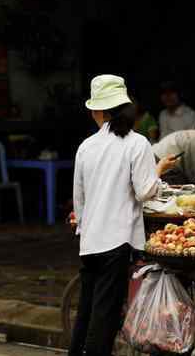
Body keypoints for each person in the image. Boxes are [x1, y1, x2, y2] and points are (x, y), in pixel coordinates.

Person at [70, 74, 177, 356]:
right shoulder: (136, 143)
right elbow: (144, 192)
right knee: (103, 321)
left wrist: (83, 225)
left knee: (86, 313)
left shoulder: (86, 147)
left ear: (99, 111)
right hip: (116, 243)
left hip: (90, 241)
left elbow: (79, 199)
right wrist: (159, 175)